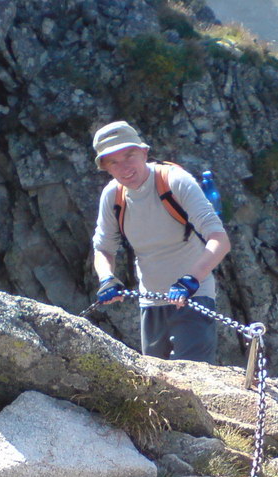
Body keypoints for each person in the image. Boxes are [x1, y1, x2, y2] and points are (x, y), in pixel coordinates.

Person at [90, 120, 230, 364]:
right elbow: (103, 248)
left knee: (192, 381)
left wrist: (191, 280)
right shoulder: (113, 196)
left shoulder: (174, 181)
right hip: (151, 303)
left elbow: (219, 239)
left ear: (144, 152)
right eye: (113, 161)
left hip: (193, 297)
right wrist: (106, 279)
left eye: (129, 155)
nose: (124, 167)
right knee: (159, 386)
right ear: (105, 167)